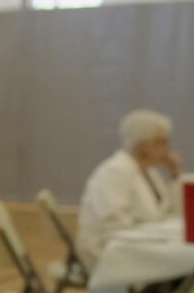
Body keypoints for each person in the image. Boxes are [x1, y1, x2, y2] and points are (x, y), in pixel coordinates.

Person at [76, 109, 182, 267]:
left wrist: (174, 175)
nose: (167, 148)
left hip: (139, 245)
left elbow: (172, 211)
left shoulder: (150, 173)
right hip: (108, 253)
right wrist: (148, 235)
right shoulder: (115, 172)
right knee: (182, 267)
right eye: (160, 142)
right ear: (141, 146)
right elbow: (113, 224)